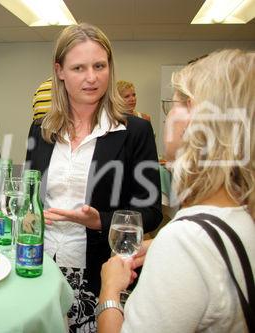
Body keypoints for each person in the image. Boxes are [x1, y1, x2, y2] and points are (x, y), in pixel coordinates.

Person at [98, 49, 254, 332]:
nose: (168, 114)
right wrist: (158, 247)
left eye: (176, 103)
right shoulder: (242, 216)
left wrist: (109, 291)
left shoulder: (185, 241)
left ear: (197, 121)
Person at [25, 23, 162, 332]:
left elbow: (152, 213)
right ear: (59, 71)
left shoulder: (134, 132)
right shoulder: (41, 129)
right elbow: (30, 196)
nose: (91, 77)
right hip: (39, 265)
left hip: (98, 272)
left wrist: (99, 220)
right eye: (78, 67)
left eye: (99, 66)